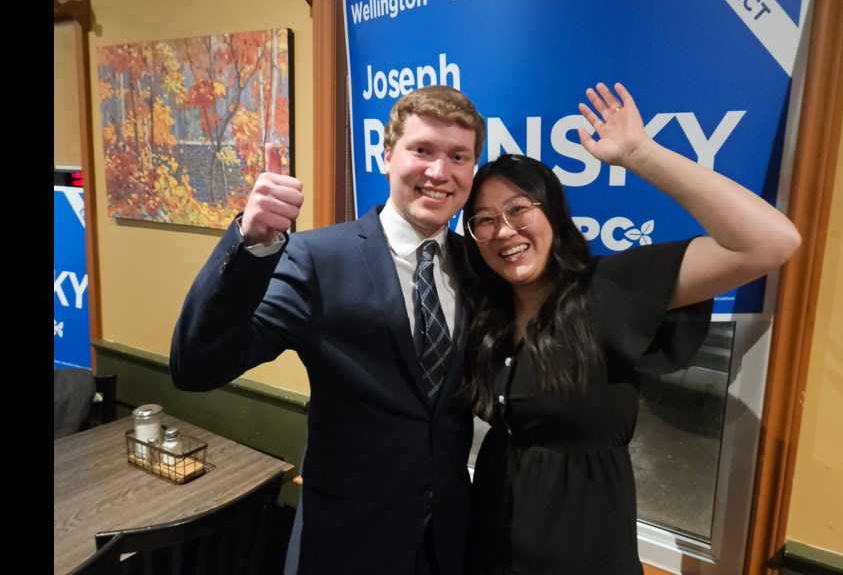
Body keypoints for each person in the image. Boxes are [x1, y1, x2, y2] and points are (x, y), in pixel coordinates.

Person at [461, 82, 801, 575]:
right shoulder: (488, 313)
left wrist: (642, 154)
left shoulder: (608, 288)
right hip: (490, 548)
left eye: (518, 209)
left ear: (552, 212)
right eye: (484, 220)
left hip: (584, 557)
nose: (504, 231)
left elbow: (771, 242)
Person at [170, 85, 486, 575]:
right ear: (386, 156)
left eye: (458, 156)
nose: (439, 172)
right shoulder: (318, 258)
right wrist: (251, 244)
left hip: (447, 542)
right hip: (345, 544)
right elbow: (198, 365)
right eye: (421, 150)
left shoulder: (478, 267)